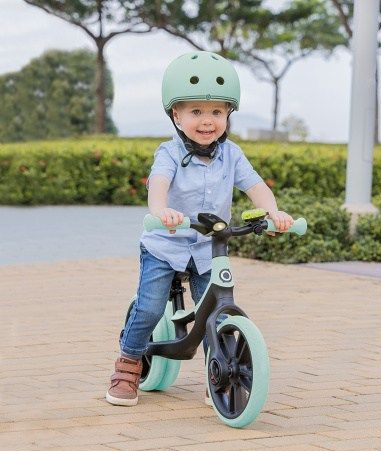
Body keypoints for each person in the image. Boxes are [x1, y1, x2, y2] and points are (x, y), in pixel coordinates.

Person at [106, 51, 293, 407]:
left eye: (217, 112)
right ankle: (128, 364)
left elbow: (255, 185)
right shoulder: (169, 153)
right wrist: (161, 211)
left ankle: (218, 372)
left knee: (218, 311)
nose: (207, 121)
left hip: (209, 248)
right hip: (166, 244)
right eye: (196, 112)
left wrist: (274, 213)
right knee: (150, 307)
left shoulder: (232, 154)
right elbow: (158, 184)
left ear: (228, 115)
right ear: (176, 115)